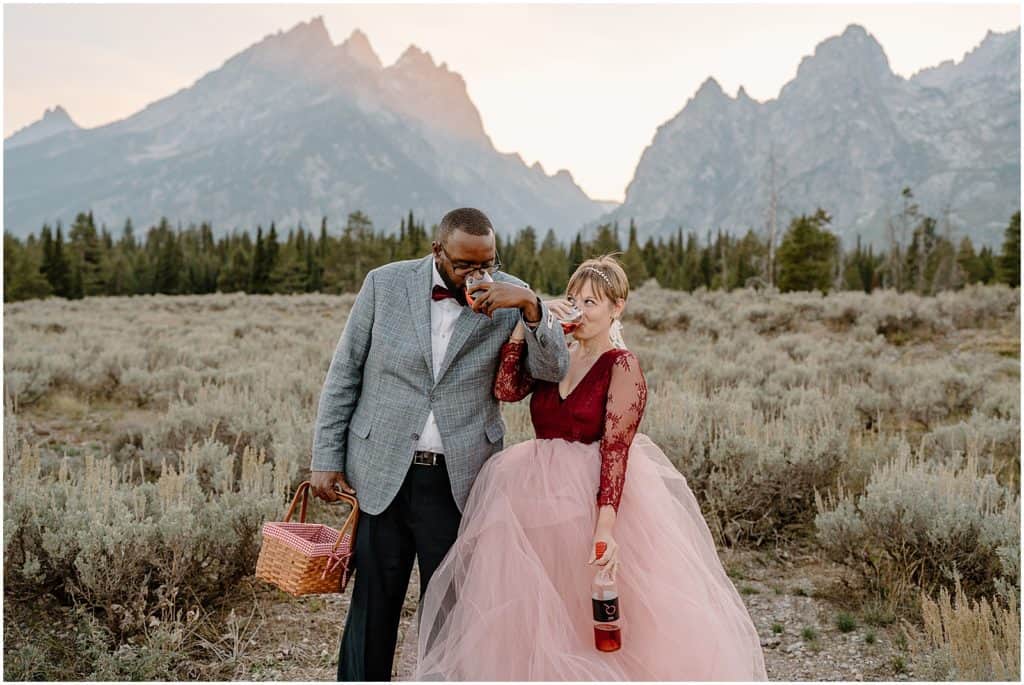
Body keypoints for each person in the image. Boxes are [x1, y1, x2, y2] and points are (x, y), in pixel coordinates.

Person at [414, 255, 768, 680]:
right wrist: (526, 323)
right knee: (535, 611)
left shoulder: (622, 366)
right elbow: (507, 389)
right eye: (572, 299)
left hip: (587, 501)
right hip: (530, 494)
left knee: (586, 616)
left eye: (592, 302)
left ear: (617, 308)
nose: (579, 310)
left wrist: (605, 529)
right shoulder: (555, 352)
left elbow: (616, 450)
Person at [309, 207, 571, 681]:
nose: (479, 274)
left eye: (488, 262)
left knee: (450, 617)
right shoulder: (383, 284)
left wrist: (533, 307)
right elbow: (344, 370)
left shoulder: (512, 294)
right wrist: (325, 458)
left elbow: (553, 370)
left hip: (459, 479)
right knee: (373, 607)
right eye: (465, 265)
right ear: (437, 252)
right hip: (382, 470)